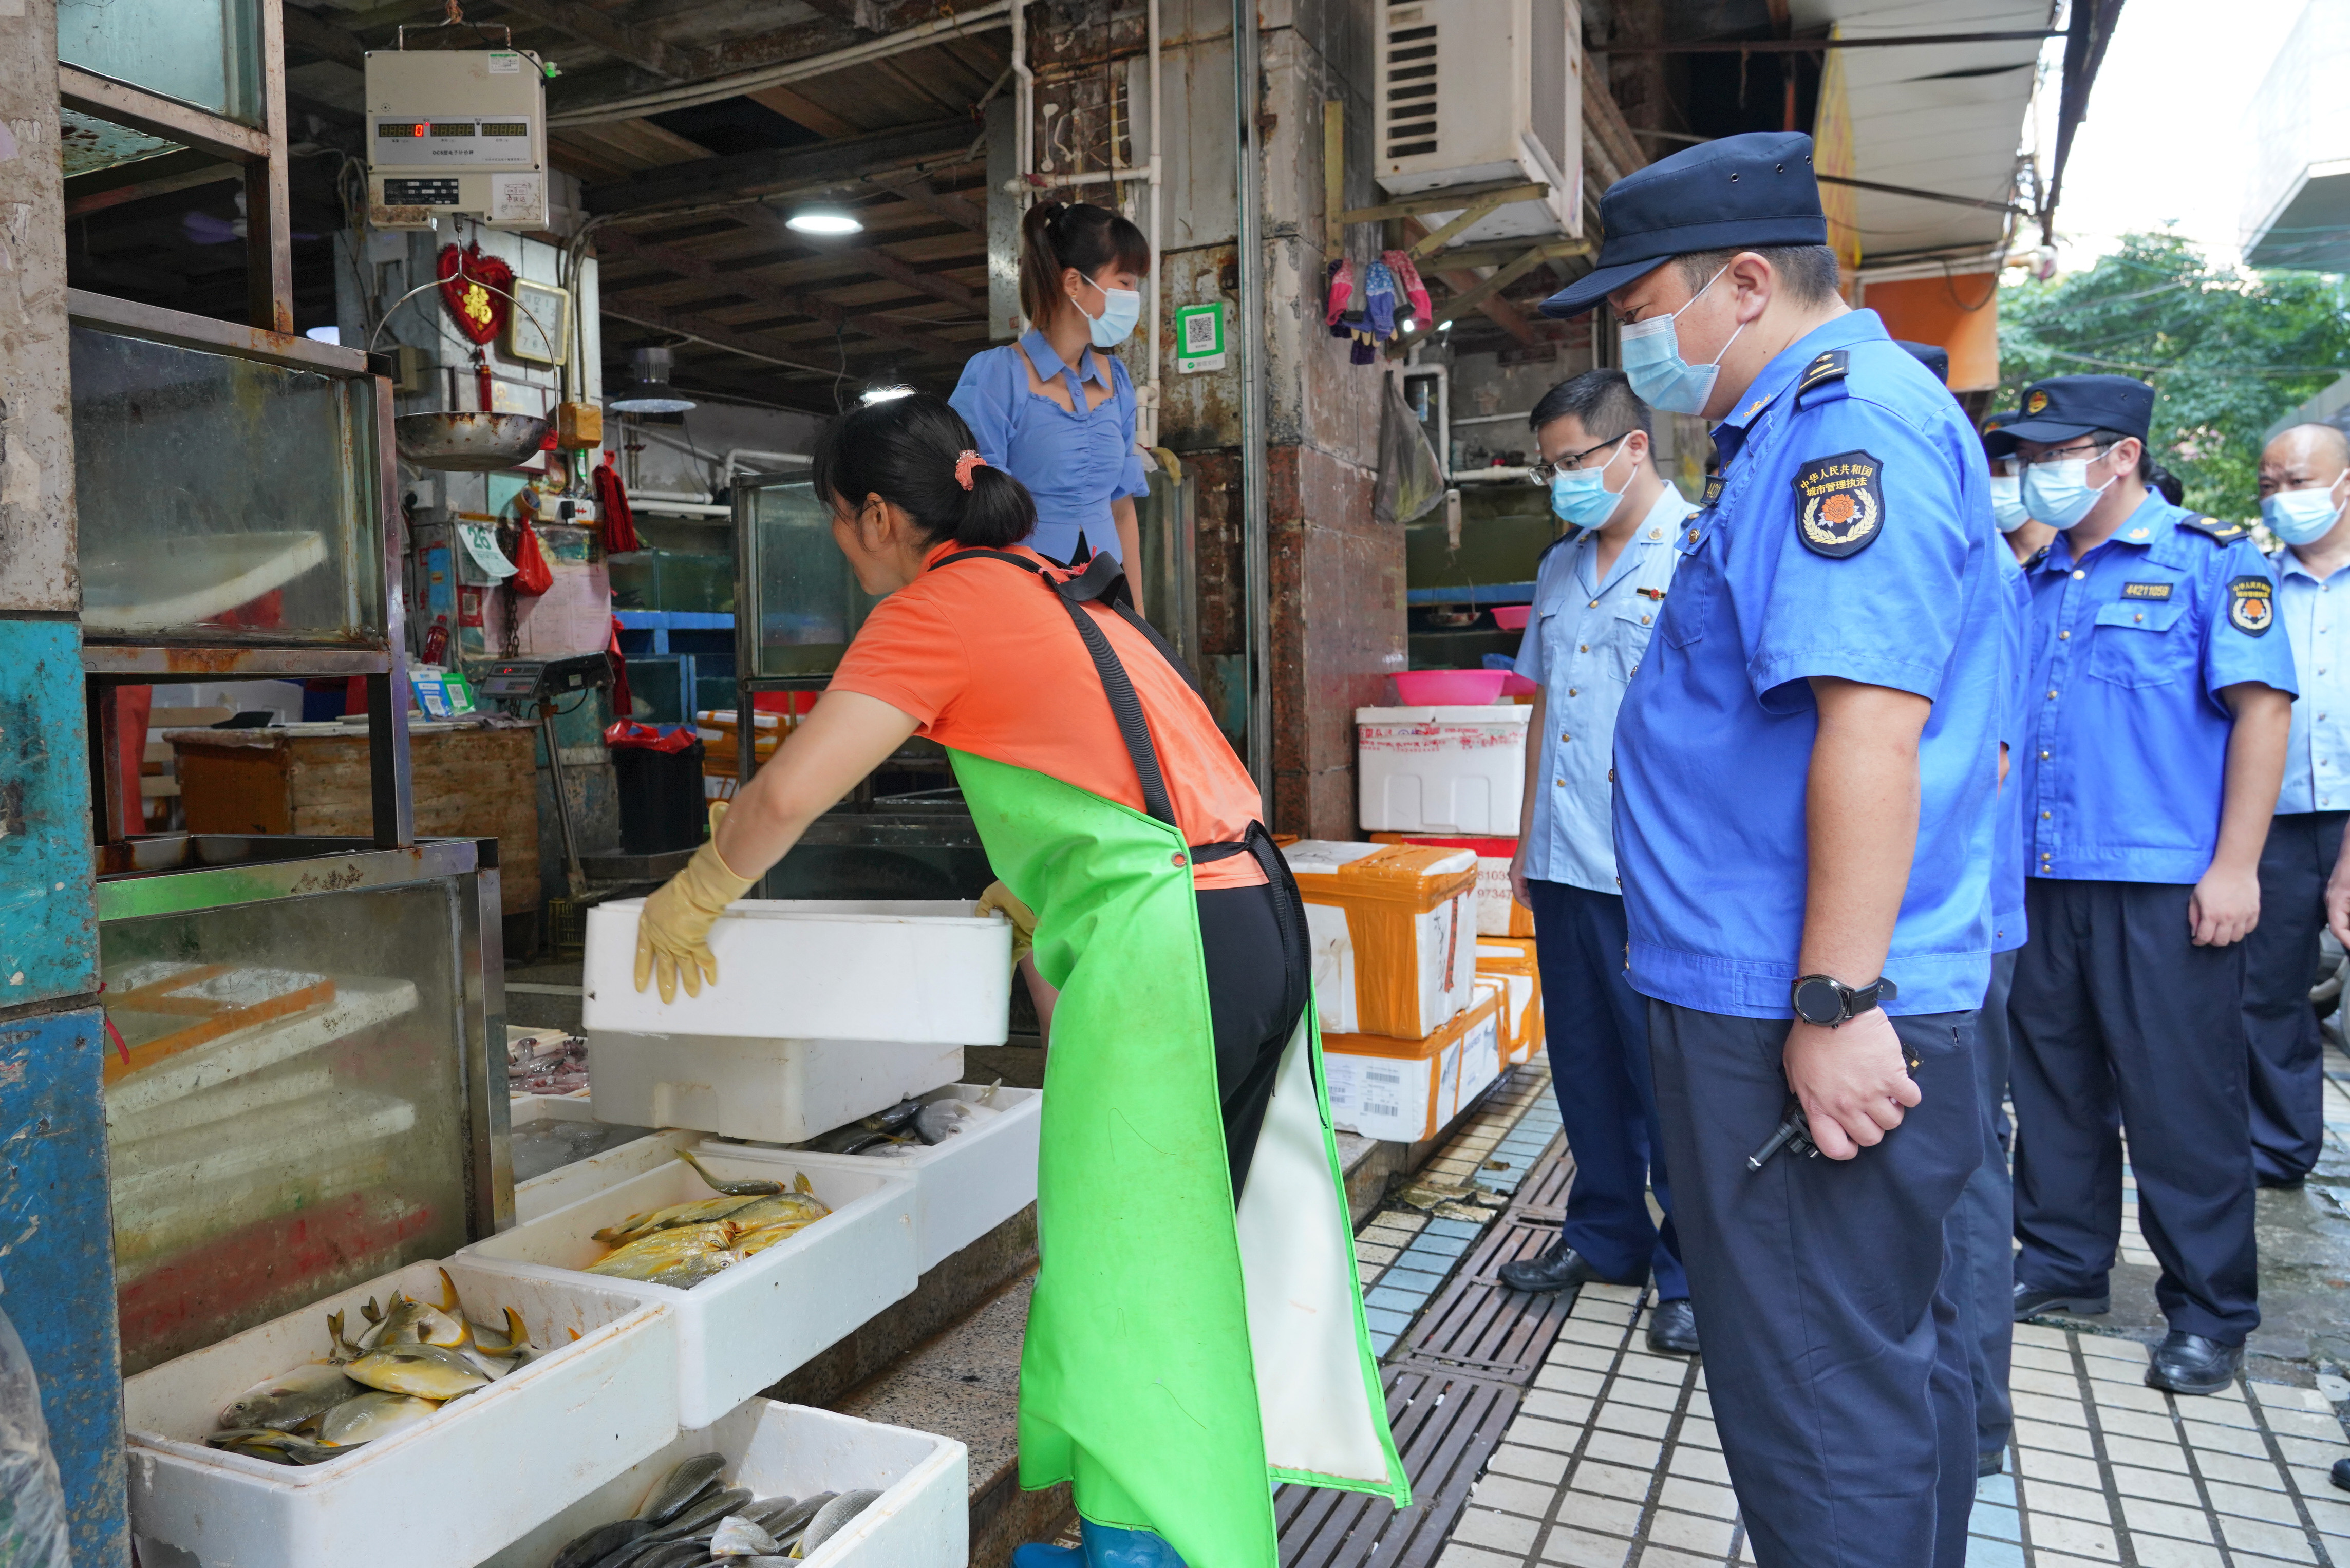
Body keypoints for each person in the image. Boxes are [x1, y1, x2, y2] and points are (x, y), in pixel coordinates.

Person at [629, 395, 1408, 1568]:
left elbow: (784, 796)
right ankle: (1146, 1533)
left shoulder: (935, 606)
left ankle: (1137, 1555)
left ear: (880, 517)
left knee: (1126, 1273)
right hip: (1253, 915)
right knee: (1176, 1254)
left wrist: (694, 892)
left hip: (1167, 951)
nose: (845, 552)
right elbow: (1134, 776)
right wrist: (1046, 893)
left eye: (839, 526)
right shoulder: (1058, 583)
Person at [1539, 130, 2004, 1567]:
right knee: (1869, 1368)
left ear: (1743, 283)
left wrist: (1833, 1002)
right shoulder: (1797, 428)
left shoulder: (1838, 427)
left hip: (1791, 1001)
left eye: (1640, 304)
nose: (1632, 337)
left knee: (1813, 1400)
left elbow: (1867, 727)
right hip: (1777, 981)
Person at [1994, 374, 2296, 1396]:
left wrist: (2234, 865)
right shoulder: (2034, 579)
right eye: (2026, 454)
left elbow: (2260, 713)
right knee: (2052, 1086)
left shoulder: (2210, 564)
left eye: (2052, 451)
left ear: (2120, 454)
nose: (2034, 471)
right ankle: (2063, 1262)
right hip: (2039, 876)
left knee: (2179, 1101)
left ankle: (2209, 1309)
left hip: (2162, 884)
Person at [1496, 368, 1699, 1357]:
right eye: (1549, 468)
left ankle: (1692, 1268)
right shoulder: (1558, 566)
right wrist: (1525, 840)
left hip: (1655, 873)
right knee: (1582, 1067)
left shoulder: (1701, 552)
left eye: (1574, 462)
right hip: (1566, 862)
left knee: (1672, 1079)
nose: (1561, 483)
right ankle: (1604, 1234)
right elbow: (1543, 709)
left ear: (1632, 448)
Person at [2244, 422, 2350, 1188]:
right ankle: (2277, 1152)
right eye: (2269, 486)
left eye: (2299, 482)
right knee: (2267, 993)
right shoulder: (2249, 586)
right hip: (2273, 822)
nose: (2284, 499)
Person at [950, 200, 1152, 573]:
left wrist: (1137, 621)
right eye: (1125, 282)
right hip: (1022, 594)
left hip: (1107, 597)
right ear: (1074, 282)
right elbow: (975, 513)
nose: (1134, 296)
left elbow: (1122, 512)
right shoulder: (996, 375)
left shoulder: (1117, 379)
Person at [1984, 408, 2057, 564]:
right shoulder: (1979, 559)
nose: (1993, 481)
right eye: (1986, 473)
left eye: (2007, 469)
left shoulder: (2077, 555)